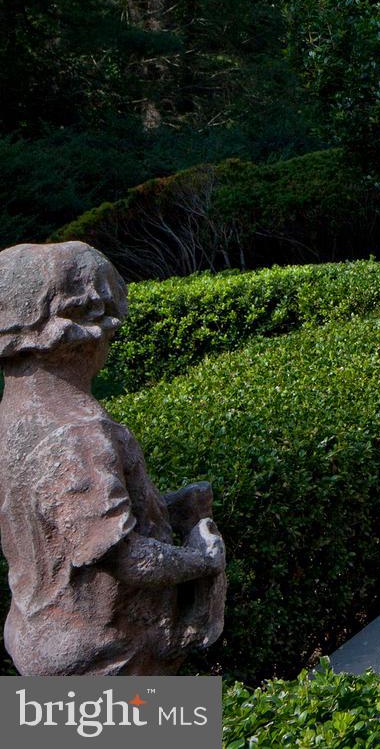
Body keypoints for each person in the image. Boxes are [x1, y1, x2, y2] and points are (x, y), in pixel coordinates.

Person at [0, 242, 226, 675]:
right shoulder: (79, 431)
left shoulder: (16, 415)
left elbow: (61, 525)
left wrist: (170, 507)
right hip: (105, 652)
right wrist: (203, 558)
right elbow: (124, 557)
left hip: (39, 632)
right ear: (82, 332)